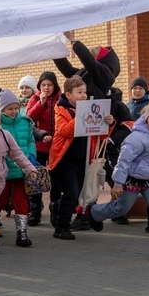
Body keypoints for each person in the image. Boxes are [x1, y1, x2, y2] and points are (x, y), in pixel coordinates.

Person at [85, 95, 149, 261]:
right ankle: (94, 212)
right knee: (121, 208)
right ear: (146, 117)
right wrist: (118, 183)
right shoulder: (136, 137)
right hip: (132, 179)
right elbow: (123, 161)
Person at [0, 90, 38, 247]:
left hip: (22, 169)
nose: (13, 111)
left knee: (21, 201)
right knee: (0, 200)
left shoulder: (25, 121)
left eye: (15, 108)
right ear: (2, 109)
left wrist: (31, 155)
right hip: (4, 171)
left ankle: (22, 233)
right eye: (9, 109)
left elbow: (31, 140)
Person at [47, 76, 90, 240]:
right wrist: (81, 115)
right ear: (68, 94)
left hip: (81, 159)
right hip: (64, 159)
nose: (84, 96)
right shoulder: (61, 110)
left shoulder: (87, 109)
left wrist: (109, 122)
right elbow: (65, 131)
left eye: (85, 92)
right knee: (71, 193)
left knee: (76, 194)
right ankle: (61, 227)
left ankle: (57, 207)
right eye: (79, 92)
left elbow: (98, 133)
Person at [24, 72, 60, 227]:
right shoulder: (35, 98)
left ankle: (55, 211)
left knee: (55, 179)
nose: (46, 88)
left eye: (49, 85)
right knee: (36, 177)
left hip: (56, 146)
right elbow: (29, 118)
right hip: (39, 145)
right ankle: (35, 211)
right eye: (43, 85)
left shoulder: (60, 98)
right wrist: (41, 103)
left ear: (54, 86)